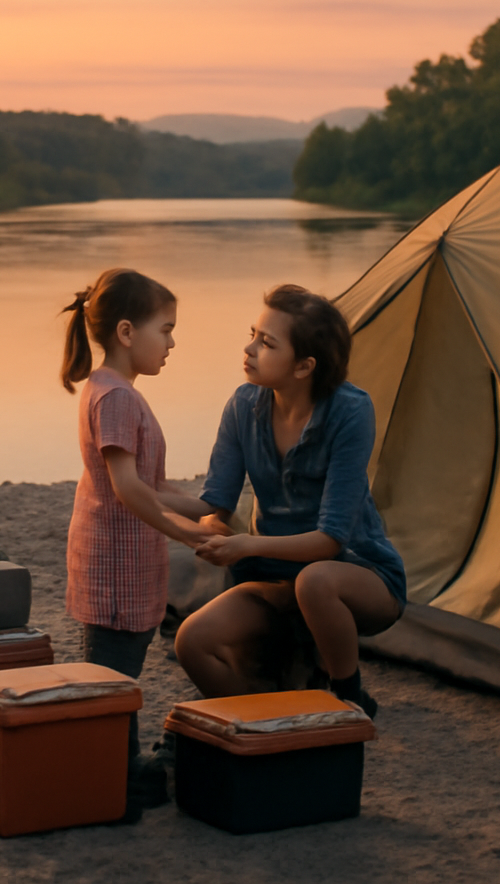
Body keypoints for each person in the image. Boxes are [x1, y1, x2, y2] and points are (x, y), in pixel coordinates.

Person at [168, 284, 406, 717]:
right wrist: (163, 503)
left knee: (315, 580)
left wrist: (248, 544)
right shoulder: (243, 406)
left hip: (357, 576)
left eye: (266, 342)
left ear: (303, 366)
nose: (249, 347)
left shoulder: (351, 412)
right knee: (193, 641)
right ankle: (274, 719)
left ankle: (349, 699)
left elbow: (331, 540)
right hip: (275, 580)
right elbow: (214, 506)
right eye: (253, 334)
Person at [59, 268, 209, 803]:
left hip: (122, 564)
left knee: (115, 677)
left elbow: (151, 484)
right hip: (115, 570)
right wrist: (187, 536)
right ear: (127, 333)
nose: (172, 342)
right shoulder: (118, 399)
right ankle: (108, 783)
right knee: (111, 680)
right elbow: (127, 489)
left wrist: (207, 510)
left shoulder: (112, 390)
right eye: (165, 329)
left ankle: (117, 768)